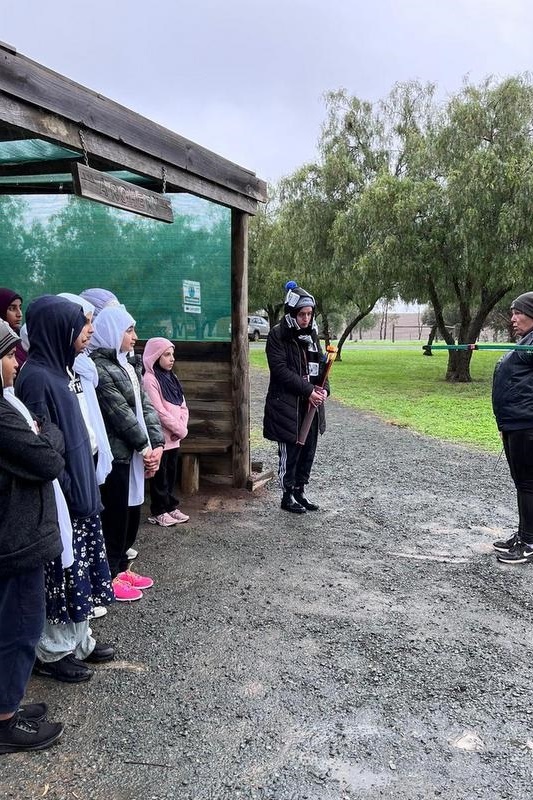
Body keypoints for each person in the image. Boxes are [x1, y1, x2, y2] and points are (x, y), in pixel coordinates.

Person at [15, 295, 114, 682]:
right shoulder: (38, 378)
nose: (89, 329)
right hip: (64, 498)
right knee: (62, 573)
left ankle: (78, 639)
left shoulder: (64, 370)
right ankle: (54, 651)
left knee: (82, 569)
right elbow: (44, 446)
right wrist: (72, 490)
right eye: (80, 323)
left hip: (82, 489)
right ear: (58, 329)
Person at [0, 320, 65, 753]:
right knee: (20, 626)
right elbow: (45, 460)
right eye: (6, 355)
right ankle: (4, 721)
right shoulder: (2, 415)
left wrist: (45, 433)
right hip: (15, 538)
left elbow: (44, 437)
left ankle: (7, 704)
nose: (13, 363)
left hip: (15, 534)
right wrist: (48, 434)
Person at [90, 305, 165, 600]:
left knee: (133, 510)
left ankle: (121, 566)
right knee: (116, 515)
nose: (135, 337)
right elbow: (120, 414)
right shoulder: (101, 368)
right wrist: (146, 448)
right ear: (111, 332)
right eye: (129, 330)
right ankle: (109, 575)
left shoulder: (127, 364)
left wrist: (156, 445)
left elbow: (145, 407)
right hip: (120, 454)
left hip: (137, 453)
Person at [263, 281, 329, 514]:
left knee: (308, 449)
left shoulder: (311, 336)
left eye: (309, 314)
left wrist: (323, 390)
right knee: (291, 450)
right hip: (287, 405)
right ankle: (287, 494)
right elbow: (280, 371)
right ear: (292, 313)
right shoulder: (277, 336)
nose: (306, 319)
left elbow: (321, 366)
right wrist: (308, 391)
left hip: (310, 405)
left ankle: (300, 491)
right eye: (302, 314)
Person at [492, 292, 533, 564]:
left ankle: (529, 543)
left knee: (529, 483)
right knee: (522, 483)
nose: (513, 318)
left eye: (518, 312)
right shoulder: (526, 341)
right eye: (512, 312)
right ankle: (524, 534)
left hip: (526, 423)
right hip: (513, 423)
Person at [142, 338, 190, 526]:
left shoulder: (172, 378)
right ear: (155, 356)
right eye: (167, 354)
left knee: (171, 474)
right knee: (159, 476)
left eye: (172, 354)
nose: (172, 359)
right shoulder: (149, 379)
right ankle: (158, 510)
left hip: (175, 437)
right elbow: (158, 411)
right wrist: (180, 429)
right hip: (161, 439)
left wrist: (181, 427)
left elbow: (183, 405)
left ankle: (170, 506)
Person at [0, 287, 26, 367]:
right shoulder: (3, 343)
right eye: (12, 308)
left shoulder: (22, 337)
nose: (19, 314)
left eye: (20, 308)